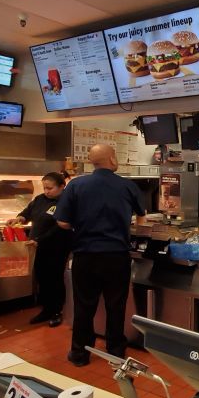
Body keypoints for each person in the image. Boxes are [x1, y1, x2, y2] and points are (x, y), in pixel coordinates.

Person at [56, 144, 144, 366]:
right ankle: (115, 352)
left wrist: (83, 225)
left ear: (92, 161)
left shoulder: (76, 185)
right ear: (112, 159)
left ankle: (79, 354)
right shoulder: (127, 186)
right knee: (116, 305)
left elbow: (62, 222)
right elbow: (141, 219)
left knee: (84, 306)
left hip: (85, 256)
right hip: (116, 257)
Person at [7, 172, 74, 326]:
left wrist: (39, 240)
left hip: (57, 246)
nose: (46, 191)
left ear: (62, 187)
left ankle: (57, 311)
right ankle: (46, 309)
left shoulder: (66, 202)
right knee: (42, 277)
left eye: (50, 188)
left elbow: (59, 227)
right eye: (45, 188)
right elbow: (27, 213)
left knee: (55, 278)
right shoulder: (39, 200)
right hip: (37, 246)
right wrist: (19, 218)